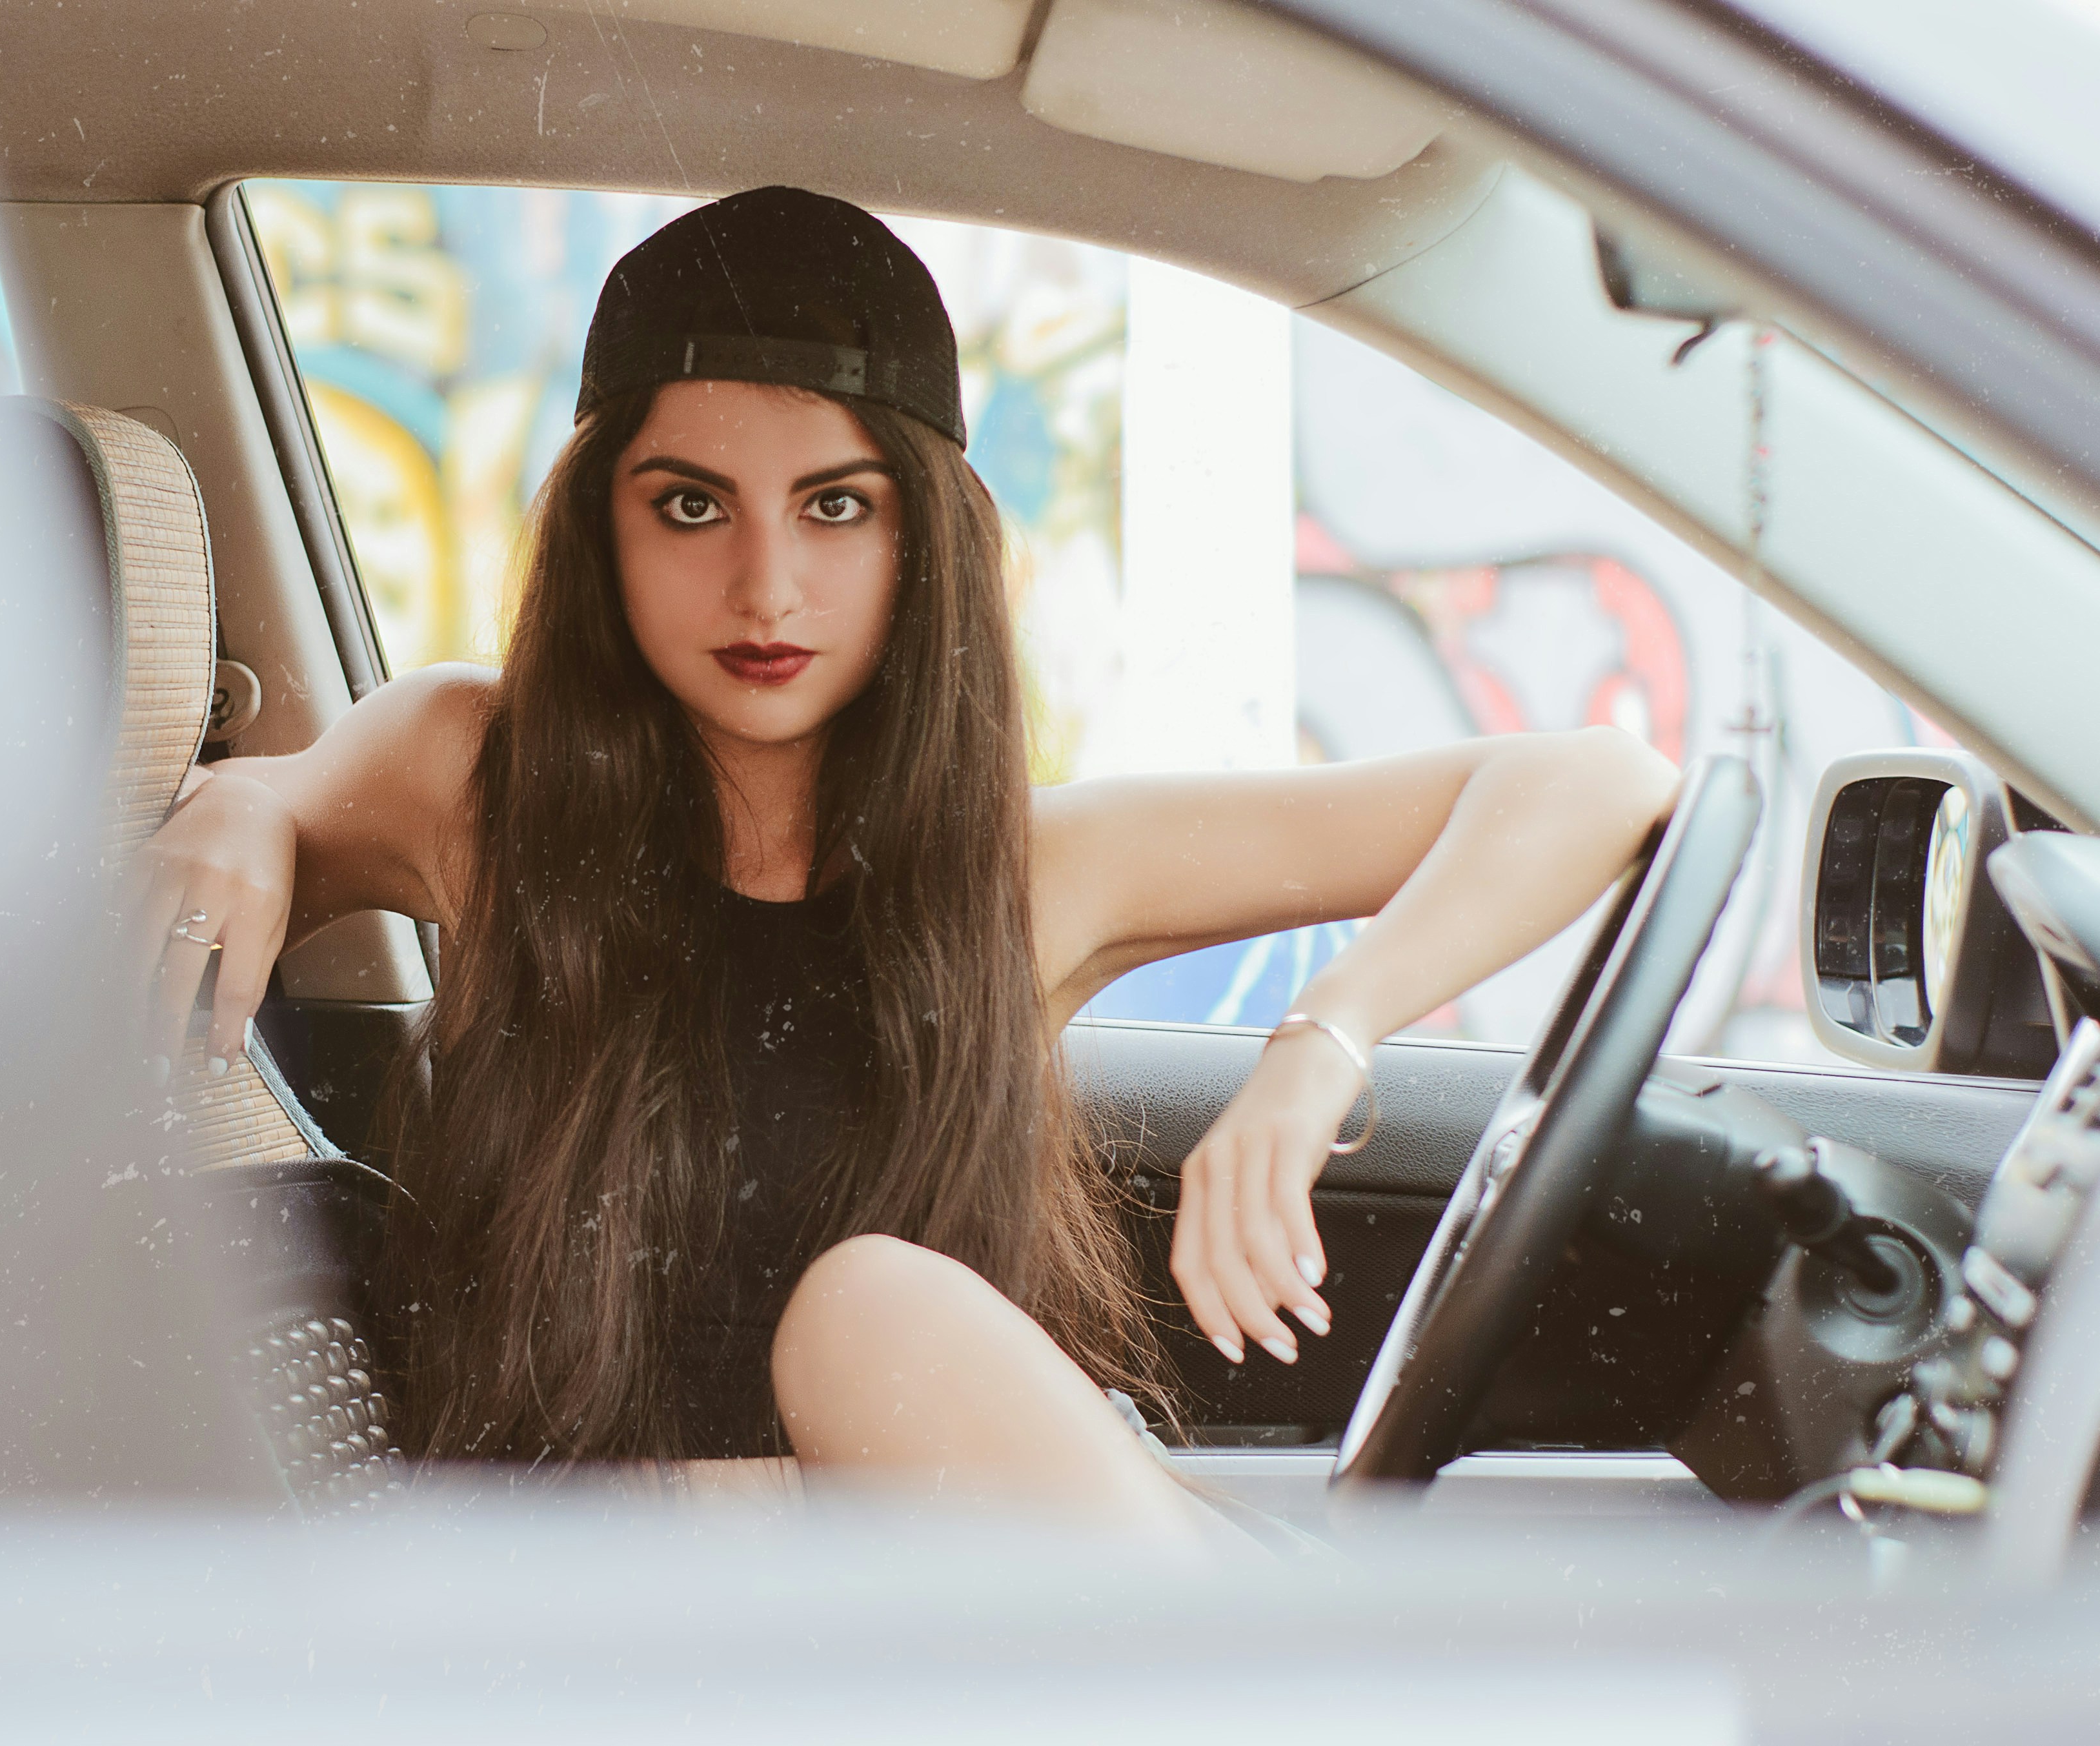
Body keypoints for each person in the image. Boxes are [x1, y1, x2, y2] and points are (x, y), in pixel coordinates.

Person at [136, 187, 1680, 1541]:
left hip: (959, 1607)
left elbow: (1599, 782)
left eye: (836, 508)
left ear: (922, 538)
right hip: (631, 1624)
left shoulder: (1030, 869)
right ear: (602, 532)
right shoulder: (475, 780)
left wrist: (1318, 1048)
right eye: (689, 506)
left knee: (871, 1319)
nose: (766, 584)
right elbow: (275, 806)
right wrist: (239, 808)